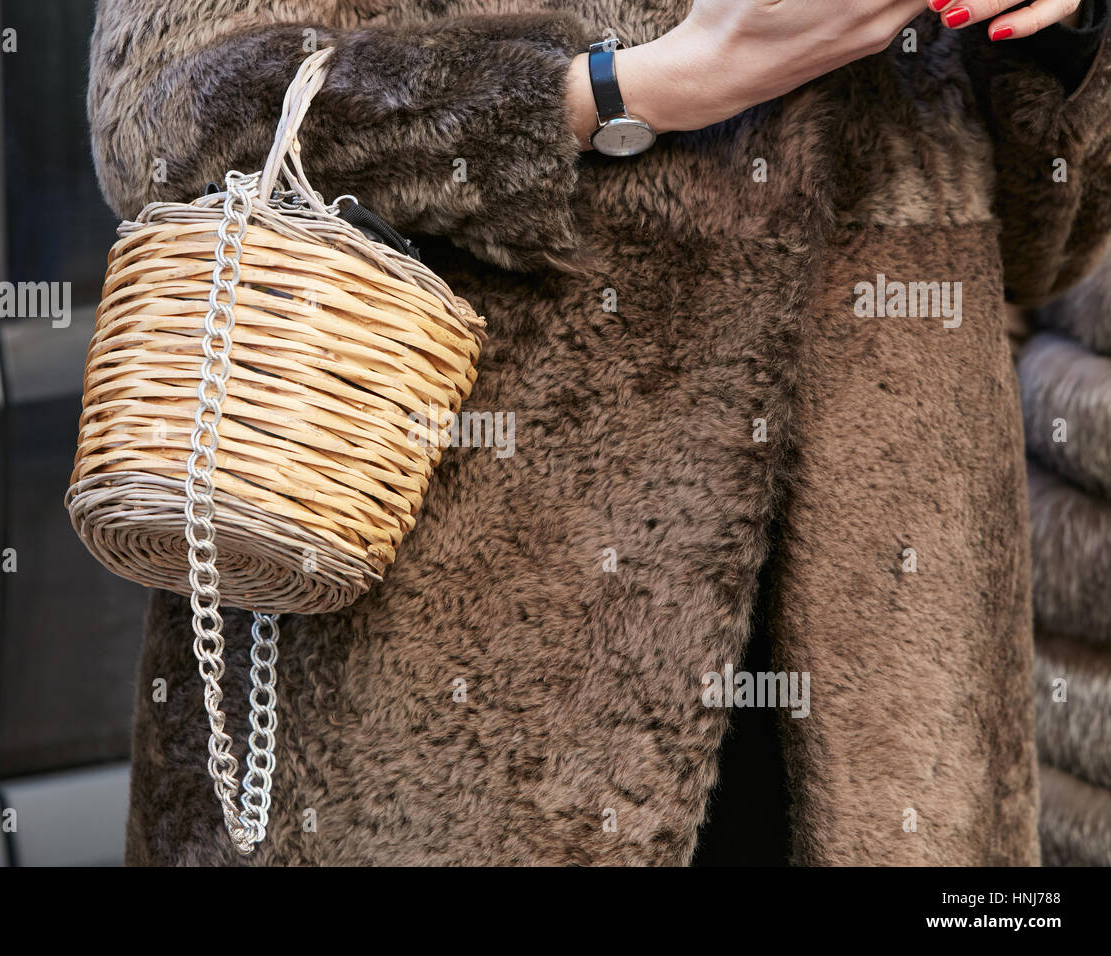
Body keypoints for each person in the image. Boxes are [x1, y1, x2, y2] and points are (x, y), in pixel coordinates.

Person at [88, 0, 1111, 865]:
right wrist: (623, 88)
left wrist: (1062, 40)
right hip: (455, 680)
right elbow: (168, 121)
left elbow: (1044, 247)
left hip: (897, 676)